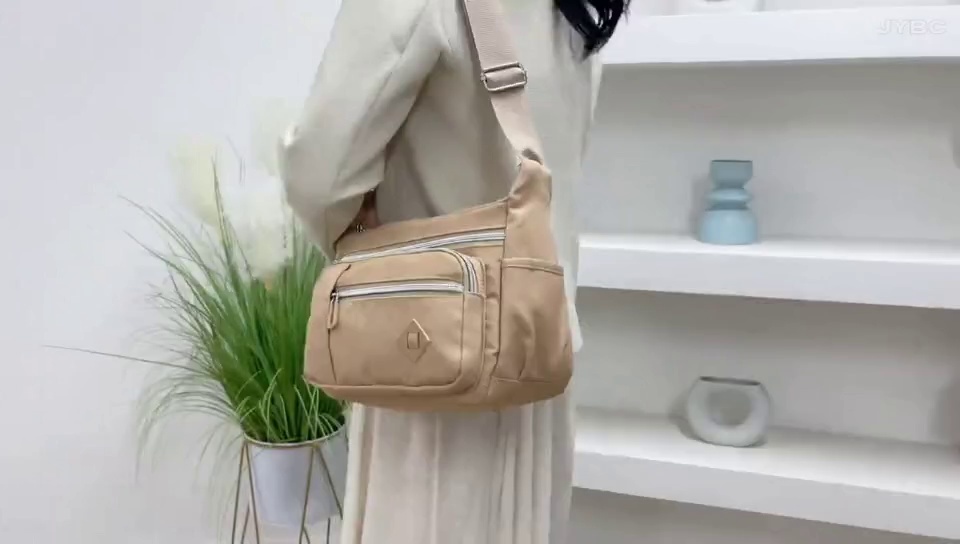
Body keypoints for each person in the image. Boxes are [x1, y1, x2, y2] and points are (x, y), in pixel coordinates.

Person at [279, 0, 629, 542]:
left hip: (430, 361)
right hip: (540, 359)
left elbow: (318, 176)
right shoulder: (574, 12)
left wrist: (364, 245)